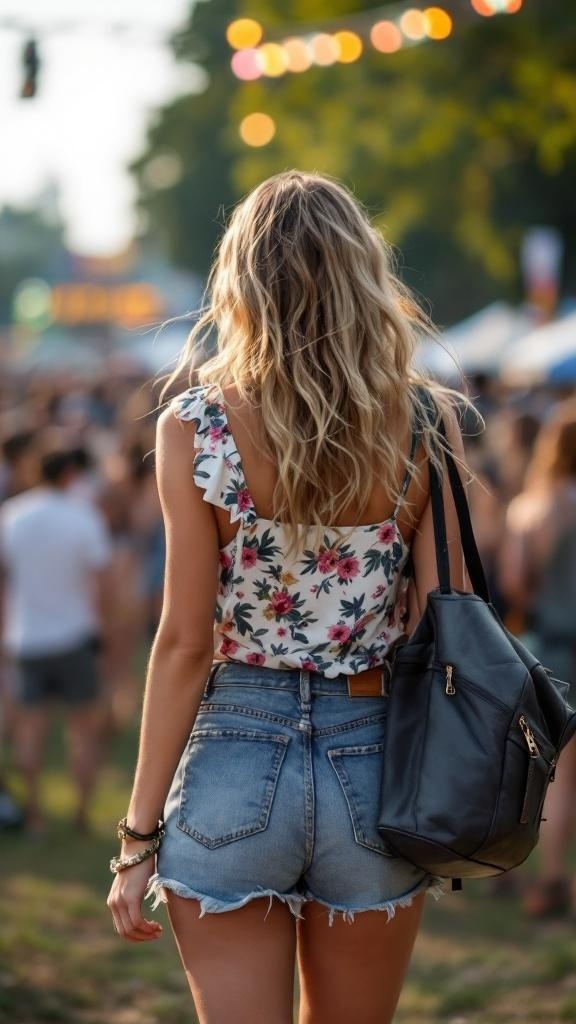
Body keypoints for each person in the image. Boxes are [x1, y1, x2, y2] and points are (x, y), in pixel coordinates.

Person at [106, 170, 471, 1024]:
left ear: (240, 283)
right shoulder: (423, 421)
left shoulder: (194, 426)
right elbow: (445, 610)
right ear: (363, 276)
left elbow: (185, 642)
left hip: (234, 757)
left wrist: (137, 836)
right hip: (379, 767)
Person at [0, 444, 113, 835]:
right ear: (69, 474)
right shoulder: (83, 517)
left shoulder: (12, 515)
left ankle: (34, 814)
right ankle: (81, 813)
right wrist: (103, 632)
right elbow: (100, 583)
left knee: (30, 730)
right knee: (82, 730)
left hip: (27, 636)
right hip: (75, 635)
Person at [500, 403, 576, 918]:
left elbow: (513, 585)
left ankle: (550, 878)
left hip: (552, 649)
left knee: (556, 773)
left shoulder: (531, 508)